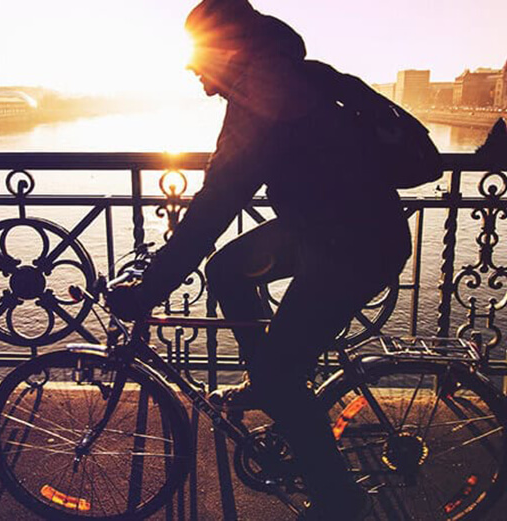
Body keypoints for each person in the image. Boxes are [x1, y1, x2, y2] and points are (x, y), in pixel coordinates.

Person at [107, 0, 411, 518]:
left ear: (227, 51)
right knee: (225, 270)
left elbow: (215, 206)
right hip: (330, 228)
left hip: (355, 246)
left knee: (280, 374)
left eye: (197, 53)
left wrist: (149, 291)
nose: (189, 66)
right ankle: (268, 379)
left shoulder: (265, 94)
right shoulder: (281, 76)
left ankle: (339, 501)